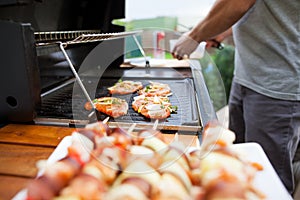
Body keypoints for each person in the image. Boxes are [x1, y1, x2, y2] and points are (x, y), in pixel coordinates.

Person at [172, 0, 300, 195]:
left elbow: (239, 2)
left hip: (274, 87)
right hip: (248, 77)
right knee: (238, 168)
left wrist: (195, 36)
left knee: (267, 182)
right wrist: (224, 29)